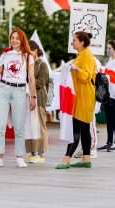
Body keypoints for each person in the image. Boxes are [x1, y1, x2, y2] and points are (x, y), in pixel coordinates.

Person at [0, 29, 36, 168]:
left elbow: (32, 78)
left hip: (20, 90)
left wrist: (32, 97)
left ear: (22, 40)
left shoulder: (28, 56)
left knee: (19, 126)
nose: (14, 40)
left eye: (17, 38)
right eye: (12, 38)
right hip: (3, 89)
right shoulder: (5, 54)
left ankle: (20, 157)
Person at [56, 32, 97, 169]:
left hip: (84, 98)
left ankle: (66, 159)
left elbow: (86, 76)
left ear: (82, 43)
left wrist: (77, 69)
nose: (72, 42)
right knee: (84, 129)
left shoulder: (88, 57)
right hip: (81, 96)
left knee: (76, 128)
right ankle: (86, 159)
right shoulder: (81, 56)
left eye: (74, 40)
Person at [25, 41, 50, 163]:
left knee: (40, 126)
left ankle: (41, 154)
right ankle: (32, 152)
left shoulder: (42, 64)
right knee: (30, 126)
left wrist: (29, 79)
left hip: (39, 99)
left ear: (35, 51)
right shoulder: (27, 64)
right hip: (28, 98)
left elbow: (41, 82)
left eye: (28, 50)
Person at [98, 40, 115, 152]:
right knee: (109, 120)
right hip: (108, 94)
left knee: (114, 119)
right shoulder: (110, 60)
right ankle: (109, 142)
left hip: (114, 94)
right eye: (107, 48)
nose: (107, 50)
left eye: (109, 48)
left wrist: (105, 75)